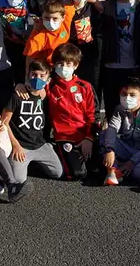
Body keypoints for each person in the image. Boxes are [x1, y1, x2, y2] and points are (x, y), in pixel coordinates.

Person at [2, 60, 62, 202]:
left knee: (58, 172)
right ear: (27, 75)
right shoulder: (17, 95)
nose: (37, 78)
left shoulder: (45, 95)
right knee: (19, 180)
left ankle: (36, 160)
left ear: (48, 79)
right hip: (21, 146)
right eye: (34, 75)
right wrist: (15, 145)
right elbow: (4, 122)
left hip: (40, 144)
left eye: (42, 76)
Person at [47, 43, 97, 181]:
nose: (64, 68)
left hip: (84, 134)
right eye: (60, 63)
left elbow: (93, 115)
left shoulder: (85, 86)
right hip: (64, 137)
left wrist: (89, 138)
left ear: (75, 65)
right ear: (54, 65)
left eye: (68, 64)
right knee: (76, 174)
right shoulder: (49, 86)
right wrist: (21, 86)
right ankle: (54, 150)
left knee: (99, 169)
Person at [101, 78, 140, 186]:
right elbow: (112, 129)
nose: (127, 98)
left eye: (132, 95)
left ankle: (121, 169)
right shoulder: (119, 111)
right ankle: (113, 171)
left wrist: (132, 162)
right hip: (127, 149)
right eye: (124, 94)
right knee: (104, 134)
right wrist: (110, 149)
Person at [0, 0, 42, 85]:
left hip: (22, 44)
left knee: (20, 73)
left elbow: (43, 15)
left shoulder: (30, 2)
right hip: (2, 43)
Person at [66, 0, 102, 93]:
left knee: (86, 84)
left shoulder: (92, 8)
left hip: (87, 52)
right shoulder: (64, 6)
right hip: (68, 50)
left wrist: (95, 1)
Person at [23, 0, 75, 72]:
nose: (51, 22)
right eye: (47, 18)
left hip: (63, 62)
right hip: (46, 68)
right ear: (42, 16)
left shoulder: (67, 16)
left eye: (55, 18)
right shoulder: (38, 35)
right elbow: (30, 58)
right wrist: (28, 75)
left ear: (63, 18)